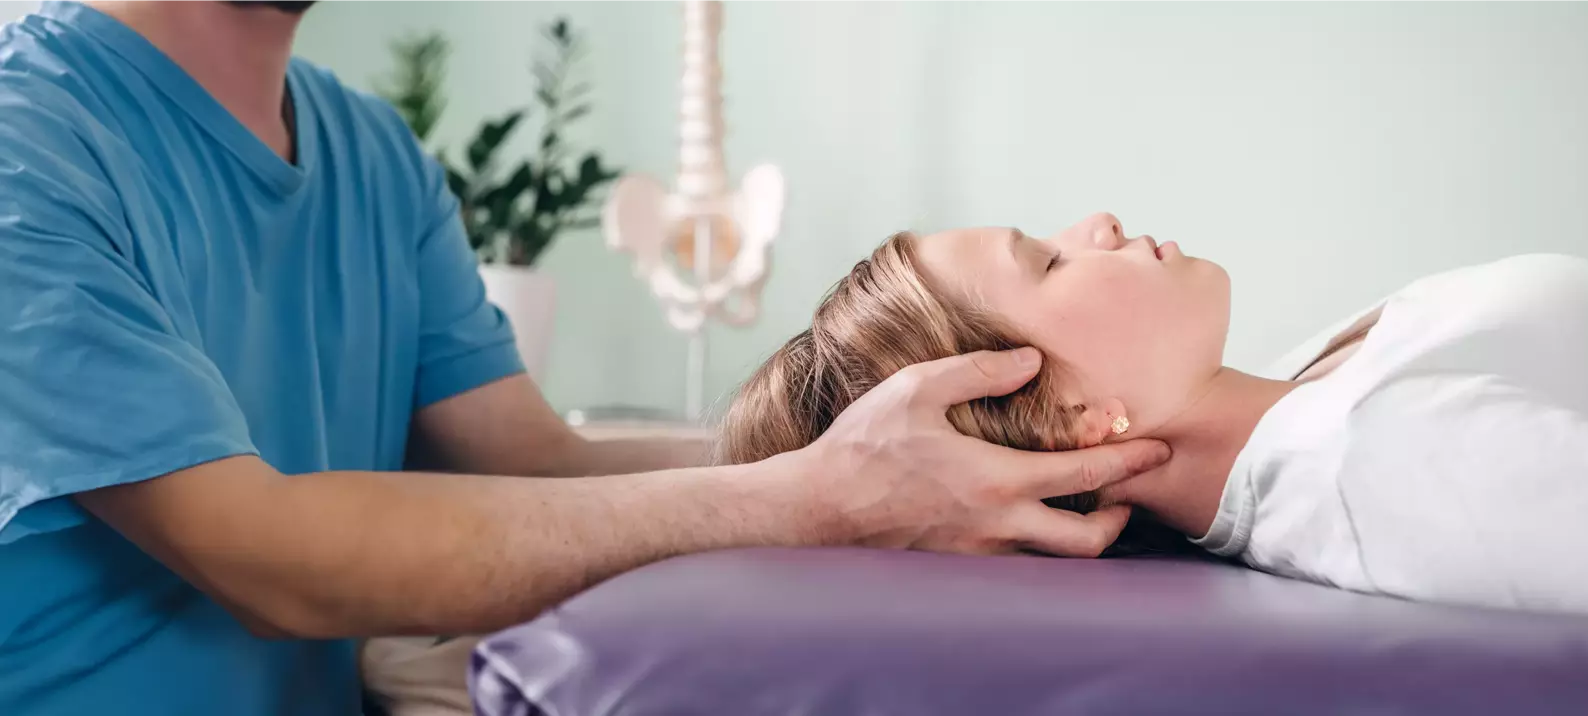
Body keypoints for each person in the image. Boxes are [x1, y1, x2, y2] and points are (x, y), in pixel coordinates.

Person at [0, 1, 1172, 714]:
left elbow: (530, 457)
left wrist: (893, 453)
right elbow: (263, 556)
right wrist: (816, 496)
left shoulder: (372, 151)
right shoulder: (28, 141)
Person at [719, 212, 1588, 616]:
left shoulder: (1299, 403)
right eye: (1051, 264)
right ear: (1069, 421)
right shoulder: (1374, 460)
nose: (1094, 225)